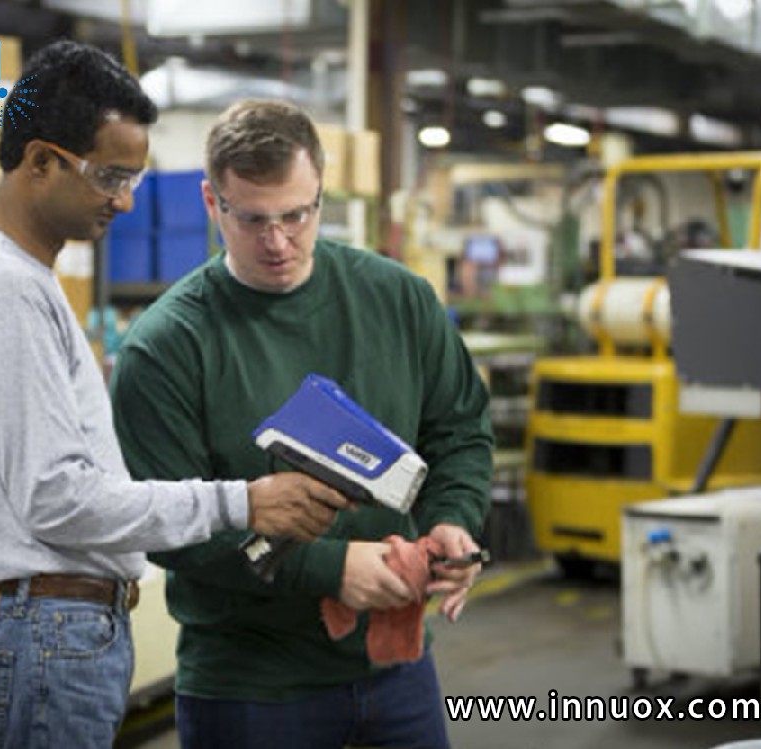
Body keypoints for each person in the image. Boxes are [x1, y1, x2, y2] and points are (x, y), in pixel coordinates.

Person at [0, 47, 348, 749]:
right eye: (110, 176)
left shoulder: (15, 277)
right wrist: (241, 502)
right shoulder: (2, 292)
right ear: (41, 161)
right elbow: (56, 496)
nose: (124, 200)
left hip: (43, 635)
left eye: (132, 178)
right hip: (38, 638)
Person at [111, 98, 494, 749]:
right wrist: (328, 569)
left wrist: (451, 519)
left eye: (297, 214)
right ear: (211, 202)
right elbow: (168, 526)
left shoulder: (399, 300)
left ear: (321, 191)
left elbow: (459, 430)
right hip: (251, 687)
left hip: (396, 670)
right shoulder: (168, 346)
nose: (278, 241)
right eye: (252, 219)